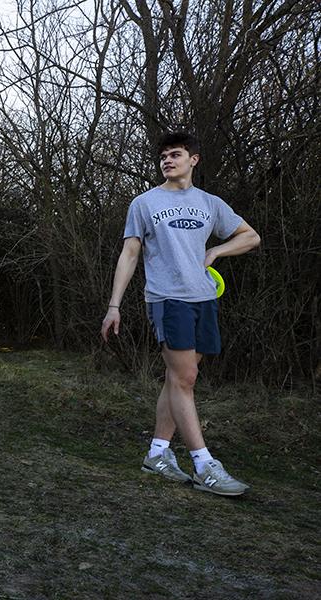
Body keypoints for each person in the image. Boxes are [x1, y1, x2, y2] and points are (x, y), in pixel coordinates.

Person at [101, 131, 260, 496]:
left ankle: (157, 453)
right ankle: (204, 465)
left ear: (194, 160)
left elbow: (250, 236)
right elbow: (129, 254)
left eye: (175, 154)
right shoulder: (144, 203)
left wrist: (216, 252)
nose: (167, 161)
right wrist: (114, 306)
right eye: (163, 157)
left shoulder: (210, 203)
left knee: (178, 379)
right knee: (185, 377)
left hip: (204, 298)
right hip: (166, 298)